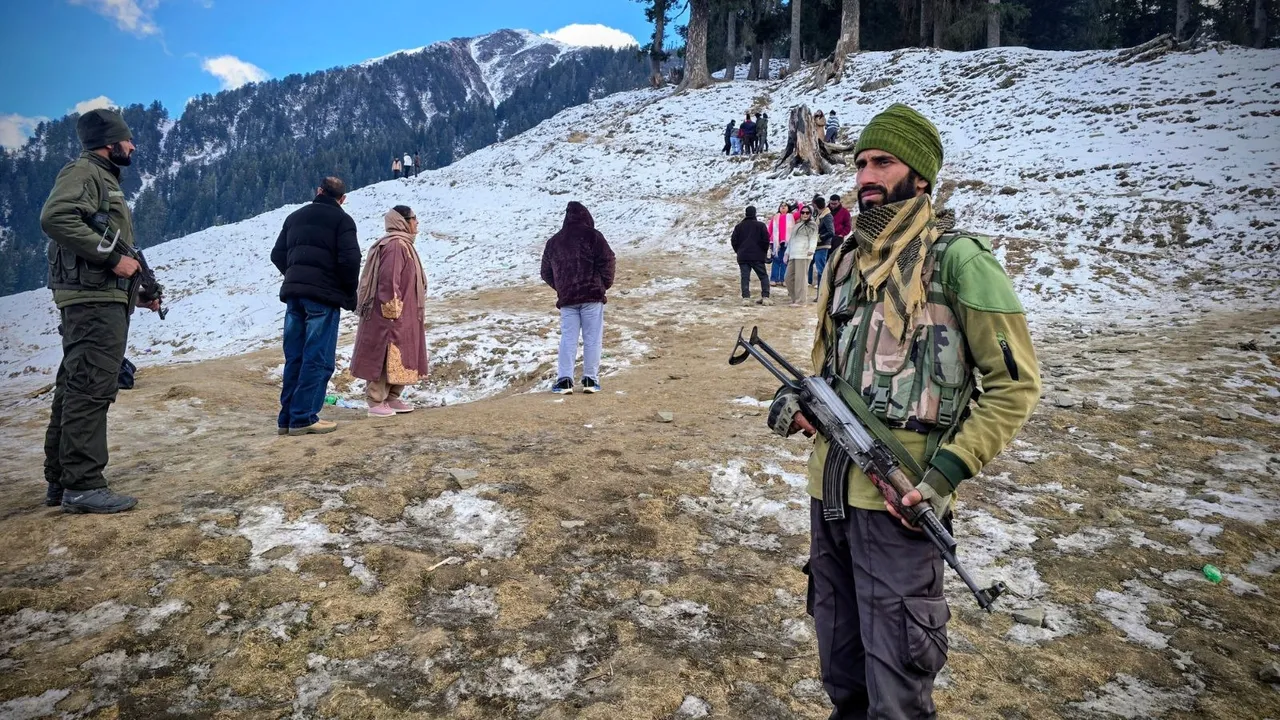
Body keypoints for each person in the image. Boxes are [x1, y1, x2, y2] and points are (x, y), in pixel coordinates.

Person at [767, 103, 1041, 719]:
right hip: (829, 495)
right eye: (861, 162)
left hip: (902, 502)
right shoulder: (844, 262)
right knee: (843, 678)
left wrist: (942, 476)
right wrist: (795, 405)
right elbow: (824, 373)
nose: (866, 175)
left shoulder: (958, 262)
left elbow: (1014, 385)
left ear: (919, 176)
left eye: (882, 162)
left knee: (897, 692)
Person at [39, 108, 159, 513]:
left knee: (76, 385)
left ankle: (61, 480)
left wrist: (139, 289)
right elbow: (55, 217)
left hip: (100, 295)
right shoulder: (84, 173)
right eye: (128, 140)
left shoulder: (102, 178)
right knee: (91, 388)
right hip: (93, 298)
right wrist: (111, 260)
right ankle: (84, 484)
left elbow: (117, 245)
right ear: (111, 143)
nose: (133, 146)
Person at [271, 176, 361, 435]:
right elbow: (350, 260)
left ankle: (286, 418)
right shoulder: (343, 220)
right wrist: (347, 292)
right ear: (342, 199)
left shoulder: (295, 217)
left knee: (295, 357)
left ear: (318, 191)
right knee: (318, 358)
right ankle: (304, 417)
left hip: (293, 295)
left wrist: (295, 275)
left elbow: (277, 254)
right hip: (322, 298)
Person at [350, 206, 428, 418]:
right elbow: (388, 279)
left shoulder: (404, 244)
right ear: (403, 221)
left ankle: (392, 397)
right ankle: (376, 400)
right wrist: (391, 308)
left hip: (405, 313)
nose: (417, 223)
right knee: (384, 353)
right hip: (391, 314)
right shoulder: (395, 245)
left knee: (402, 353)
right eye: (414, 218)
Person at [540, 201, 616, 395]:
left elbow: (545, 272)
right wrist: (603, 284)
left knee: (568, 339)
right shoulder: (593, 236)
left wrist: (562, 287)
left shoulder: (554, 242)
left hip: (568, 300)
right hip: (592, 296)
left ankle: (565, 380)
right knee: (592, 339)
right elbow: (608, 260)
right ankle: (590, 379)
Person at [730, 205, 772, 306]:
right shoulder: (760, 226)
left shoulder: (739, 226)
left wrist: (739, 251)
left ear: (746, 213)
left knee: (745, 277)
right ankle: (765, 297)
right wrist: (763, 252)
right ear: (755, 213)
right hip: (757, 256)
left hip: (743, 256)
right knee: (763, 276)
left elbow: (734, 241)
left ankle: (746, 298)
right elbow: (766, 240)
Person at [784, 204, 817, 305]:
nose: (805, 214)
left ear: (811, 214)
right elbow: (791, 240)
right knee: (788, 277)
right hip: (793, 254)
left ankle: (801, 301)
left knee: (800, 278)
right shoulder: (797, 225)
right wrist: (787, 252)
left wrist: (811, 249)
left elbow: (813, 237)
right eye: (803, 212)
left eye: (807, 213)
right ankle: (795, 298)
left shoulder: (812, 225)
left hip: (803, 254)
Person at [810, 196, 835, 291]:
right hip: (817, 245)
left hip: (822, 245)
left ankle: (824, 291)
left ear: (815, 205)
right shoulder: (819, 214)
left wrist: (820, 237)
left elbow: (831, 232)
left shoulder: (827, 216)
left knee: (821, 270)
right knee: (818, 268)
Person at [767, 201, 793, 287]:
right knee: (776, 260)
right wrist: (768, 239)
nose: (783, 207)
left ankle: (783, 279)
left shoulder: (791, 217)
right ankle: (774, 279)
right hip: (775, 242)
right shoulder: (775, 217)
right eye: (781, 206)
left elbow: (800, 210)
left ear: (788, 208)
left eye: (785, 206)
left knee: (785, 261)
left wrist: (797, 204)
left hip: (787, 242)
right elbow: (770, 229)